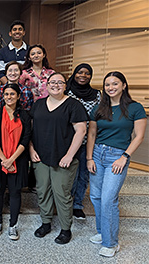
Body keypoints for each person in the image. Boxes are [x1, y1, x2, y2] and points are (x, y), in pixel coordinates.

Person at [86, 71, 146, 258]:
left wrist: (125, 156)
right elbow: (92, 134)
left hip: (117, 156)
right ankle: (103, 231)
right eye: (107, 85)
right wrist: (89, 158)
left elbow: (139, 136)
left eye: (115, 84)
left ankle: (111, 243)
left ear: (123, 85)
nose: (111, 88)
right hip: (97, 153)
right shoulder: (98, 108)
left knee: (108, 198)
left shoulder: (135, 108)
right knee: (95, 196)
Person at [29, 72, 88, 245]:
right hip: (40, 156)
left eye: (60, 82)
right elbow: (30, 130)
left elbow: (81, 131)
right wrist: (31, 149)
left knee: (62, 194)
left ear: (65, 85)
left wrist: (69, 155)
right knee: (43, 191)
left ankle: (65, 228)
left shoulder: (73, 105)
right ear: (46, 85)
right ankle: (46, 223)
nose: (56, 85)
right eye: (52, 82)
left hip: (63, 158)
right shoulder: (38, 105)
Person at [0, 83, 31, 241]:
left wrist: (12, 159)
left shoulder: (25, 115)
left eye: (12, 94)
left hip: (18, 160)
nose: (9, 97)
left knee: (15, 192)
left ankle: (13, 225)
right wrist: (4, 160)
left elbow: (26, 139)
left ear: (19, 96)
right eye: (6, 94)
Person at [65, 63, 101, 220]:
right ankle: (65, 202)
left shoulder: (97, 94)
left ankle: (77, 204)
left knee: (83, 174)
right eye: (80, 72)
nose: (83, 75)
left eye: (87, 73)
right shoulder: (66, 90)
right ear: (74, 74)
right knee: (69, 174)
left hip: (88, 141)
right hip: (68, 140)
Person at [0, 20, 28, 85]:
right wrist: (10, 86)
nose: (17, 32)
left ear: (24, 32)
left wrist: (22, 86)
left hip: (27, 88)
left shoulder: (30, 51)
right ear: (10, 33)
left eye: (20, 29)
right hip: (8, 88)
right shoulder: (1, 52)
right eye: (14, 29)